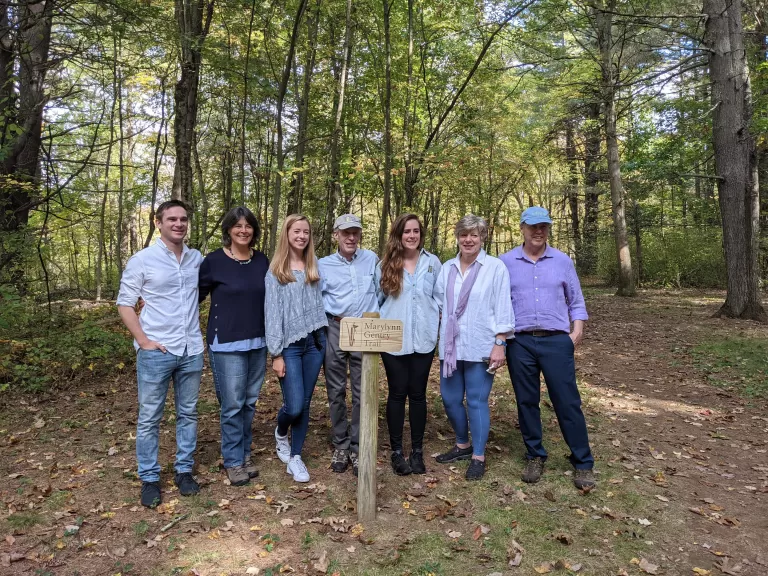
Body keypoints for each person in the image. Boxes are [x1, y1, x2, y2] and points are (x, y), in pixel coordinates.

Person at [499, 206, 595, 490]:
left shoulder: (563, 261)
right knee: (526, 401)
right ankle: (535, 454)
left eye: (543, 226)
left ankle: (583, 461)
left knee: (567, 401)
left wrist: (576, 331)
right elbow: (498, 303)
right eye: (533, 226)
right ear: (522, 229)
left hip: (556, 341)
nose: (538, 231)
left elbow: (576, 300)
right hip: (520, 342)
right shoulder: (505, 263)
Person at [117, 199, 204, 508]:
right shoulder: (143, 260)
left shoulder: (196, 259)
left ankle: (183, 472)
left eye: (183, 219)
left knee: (188, 413)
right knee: (150, 417)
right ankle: (150, 478)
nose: (178, 224)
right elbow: (125, 303)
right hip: (157, 351)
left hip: (191, 348)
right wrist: (143, 340)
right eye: (172, 219)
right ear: (158, 222)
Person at [433, 215, 514, 481]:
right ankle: (462, 445)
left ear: (482, 238)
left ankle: (478, 456)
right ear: (457, 237)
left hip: (481, 345)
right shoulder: (447, 268)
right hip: (452, 348)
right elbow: (438, 305)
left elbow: (503, 306)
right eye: (464, 234)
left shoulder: (495, 268)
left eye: (474, 235)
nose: (468, 240)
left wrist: (500, 343)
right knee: (450, 399)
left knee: (477, 401)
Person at [198, 206, 269, 487]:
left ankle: (244, 454)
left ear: (254, 230)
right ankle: (233, 460)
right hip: (226, 343)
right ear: (228, 229)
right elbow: (193, 297)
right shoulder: (214, 261)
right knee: (233, 404)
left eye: (248, 226)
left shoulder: (262, 260)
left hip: (258, 341)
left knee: (249, 402)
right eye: (237, 225)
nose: (243, 230)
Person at [375, 214, 442, 476]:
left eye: (415, 231)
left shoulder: (432, 263)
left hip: (424, 339)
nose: (411, 236)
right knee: (396, 393)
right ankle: (395, 451)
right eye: (406, 232)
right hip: (393, 340)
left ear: (420, 234)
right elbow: (376, 302)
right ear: (398, 235)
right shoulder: (385, 264)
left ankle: (416, 451)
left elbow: (440, 298)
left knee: (417, 394)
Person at [265, 214, 328, 483]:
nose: (301, 236)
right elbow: (272, 314)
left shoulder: (314, 266)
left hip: (315, 344)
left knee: (305, 402)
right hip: (289, 346)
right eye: (296, 231)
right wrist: (276, 353)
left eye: (306, 232)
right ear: (287, 234)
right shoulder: (276, 271)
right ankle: (281, 433)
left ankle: (296, 457)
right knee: (293, 406)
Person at [318, 214, 379, 476]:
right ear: (336, 235)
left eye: (355, 232)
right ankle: (340, 444)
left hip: (365, 328)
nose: (351, 237)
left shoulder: (372, 259)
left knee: (362, 390)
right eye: (346, 233)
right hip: (336, 326)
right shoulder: (323, 264)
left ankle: (358, 446)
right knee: (335, 389)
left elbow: (382, 291)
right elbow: (316, 298)